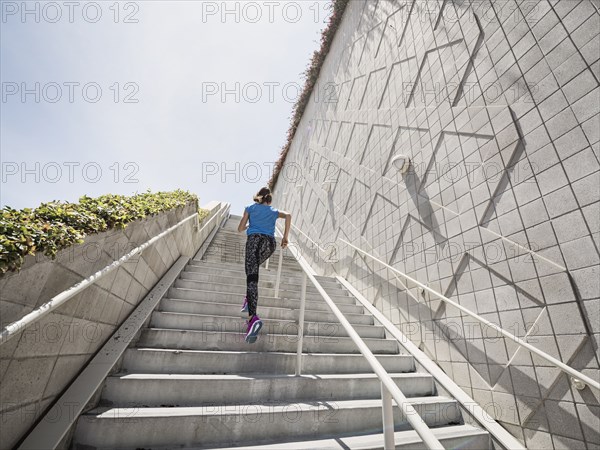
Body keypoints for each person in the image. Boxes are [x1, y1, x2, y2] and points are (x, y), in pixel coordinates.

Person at [237, 187, 291, 343]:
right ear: (269, 200)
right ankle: (249, 298)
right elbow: (288, 215)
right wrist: (285, 237)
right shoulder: (273, 211)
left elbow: (240, 228)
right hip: (270, 244)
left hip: (254, 242)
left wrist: (249, 225)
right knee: (253, 272)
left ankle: (253, 318)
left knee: (252, 277)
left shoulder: (250, 208)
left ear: (258, 197)